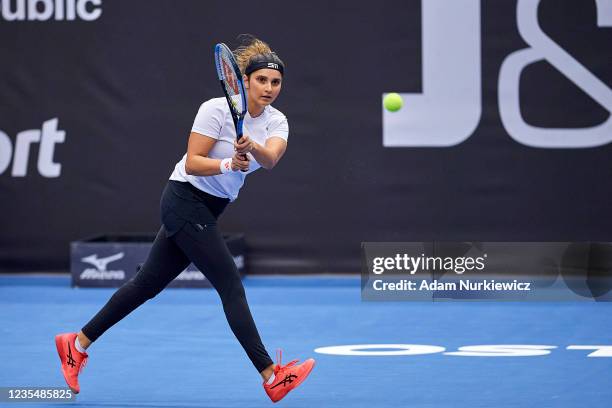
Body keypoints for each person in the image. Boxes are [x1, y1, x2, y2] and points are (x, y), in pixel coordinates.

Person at [54, 36, 314, 403]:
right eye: (261, 80)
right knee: (230, 285)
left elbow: (270, 159)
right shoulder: (216, 109)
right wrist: (228, 162)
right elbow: (193, 162)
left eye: (275, 82)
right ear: (244, 80)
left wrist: (250, 147)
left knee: (146, 285)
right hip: (184, 200)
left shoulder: (277, 121)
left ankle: (76, 343)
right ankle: (271, 375)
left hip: (211, 208)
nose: (269, 88)